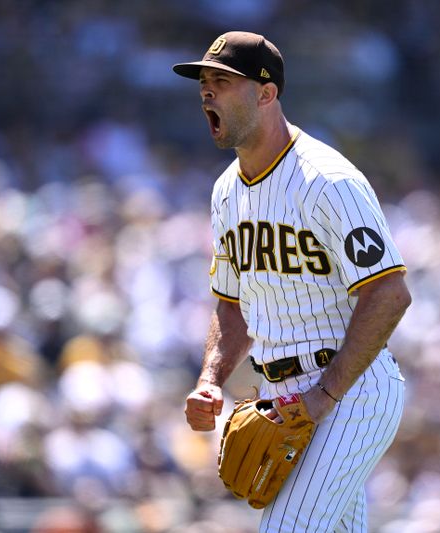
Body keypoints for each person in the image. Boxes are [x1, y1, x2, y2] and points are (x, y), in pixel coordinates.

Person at [174, 31, 412, 532]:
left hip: (352, 388)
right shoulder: (225, 193)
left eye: (222, 80)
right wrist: (210, 381)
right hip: (282, 396)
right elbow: (232, 307)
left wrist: (325, 395)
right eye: (204, 83)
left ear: (266, 93)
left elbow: (389, 292)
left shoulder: (327, 180)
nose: (207, 92)